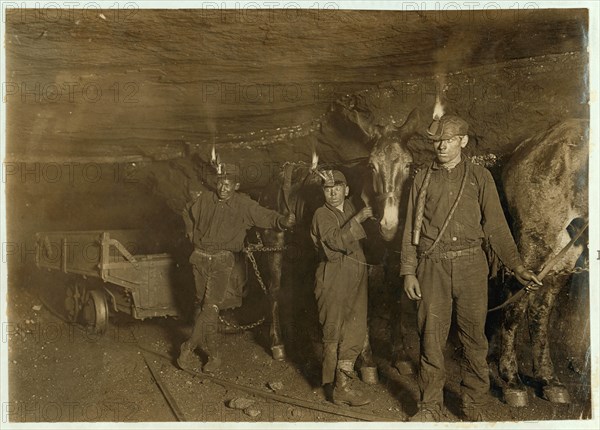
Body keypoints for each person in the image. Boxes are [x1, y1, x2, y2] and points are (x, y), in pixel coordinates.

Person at [400, 115, 542, 422]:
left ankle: (474, 404)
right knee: (431, 340)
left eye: (448, 140)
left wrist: (516, 265)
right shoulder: (422, 179)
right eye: (437, 141)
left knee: (474, 341)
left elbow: (497, 228)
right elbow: (410, 227)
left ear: (462, 141)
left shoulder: (480, 177)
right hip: (432, 267)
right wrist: (408, 271)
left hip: (470, 266)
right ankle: (429, 407)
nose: (441, 146)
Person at [178, 163, 296, 373]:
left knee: (211, 306)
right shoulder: (205, 199)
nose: (223, 187)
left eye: (229, 183)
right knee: (205, 307)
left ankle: (188, 348)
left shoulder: (244, 205)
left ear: (237, 185)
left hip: (222, 260)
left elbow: (265, 215)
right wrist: (191, 233)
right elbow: (186, 210)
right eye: (221, 182)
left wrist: (282, 221)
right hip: (199, 258)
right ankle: (213, 355)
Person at [310, 169, 374, 406]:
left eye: (338, 188)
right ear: (323, 192)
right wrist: (358, 219)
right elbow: (335, 241)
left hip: (357, 275)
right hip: (333, 277)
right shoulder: (320, 214)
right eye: (328, 189)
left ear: (347, 190)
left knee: (356, 328)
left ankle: (343, 383)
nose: (333, 193)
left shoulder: (349, 207)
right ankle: (336, 388)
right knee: (333, 331)